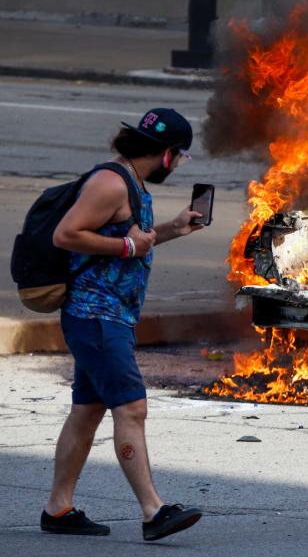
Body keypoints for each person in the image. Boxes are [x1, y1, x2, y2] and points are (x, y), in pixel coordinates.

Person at [41, 108, 204, 541]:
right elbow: (67, 234)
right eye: (180, 157)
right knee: (131, 408)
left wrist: (169, 229)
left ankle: (57, 509)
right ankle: (154, 511)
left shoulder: (129, 182)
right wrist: (130, 244)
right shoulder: (111, 182)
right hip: (97, 315)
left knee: (88, 410)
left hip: (109, 315)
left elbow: (133, 243)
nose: (177, 165)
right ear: (168, 155)